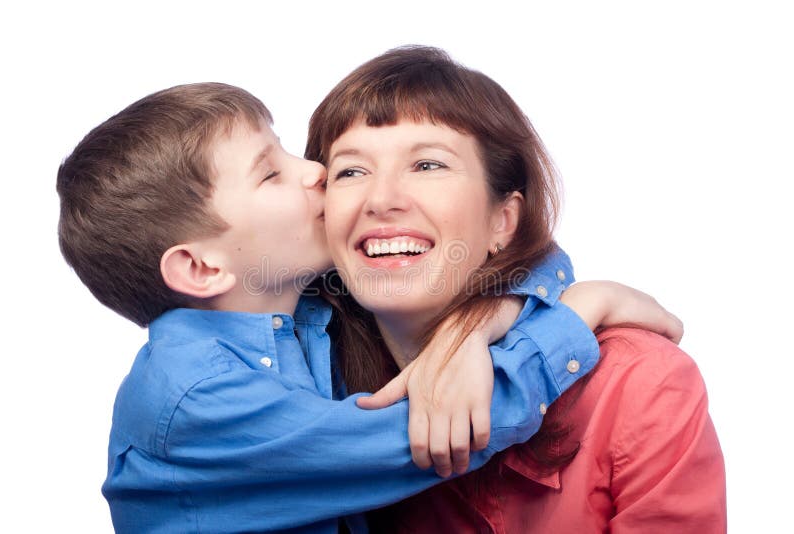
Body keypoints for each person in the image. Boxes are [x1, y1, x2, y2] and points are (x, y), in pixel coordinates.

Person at [57, 83, 680, 533]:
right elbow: (435, 436)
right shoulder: (194, 397)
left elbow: (511, 254)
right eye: (271, 174)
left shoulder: (306, 315)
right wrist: (583, 310)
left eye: (428, 165)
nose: (317, 174)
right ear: (201, 268)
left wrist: (481, 322)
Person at [304, 45, 726, 532]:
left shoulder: (638, 383)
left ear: (503, 220)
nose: (380, 200)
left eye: (427, 165)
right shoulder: (302, 380)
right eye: (351, 171)